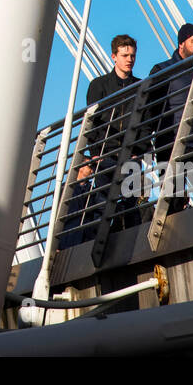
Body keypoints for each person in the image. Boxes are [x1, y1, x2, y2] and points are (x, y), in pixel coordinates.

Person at [58, 36, 140, 248]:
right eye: (124, 55)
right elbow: (92, 123)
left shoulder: (140, 86)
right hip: (105, 153)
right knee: (102, 201)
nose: (129, 59)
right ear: (114, 57)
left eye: (132, 55)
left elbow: (145, 120)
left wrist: (139, 150)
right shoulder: (99, 85)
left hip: (130, 154)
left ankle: (134, 245)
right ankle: (93, 246)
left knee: (131, 202)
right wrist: (95, 152)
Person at [144, 23, 193, 213]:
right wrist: (145, 143)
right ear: (182, 44)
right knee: (173, 201)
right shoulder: (162, 70)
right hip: (171, 144)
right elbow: (149, 109)